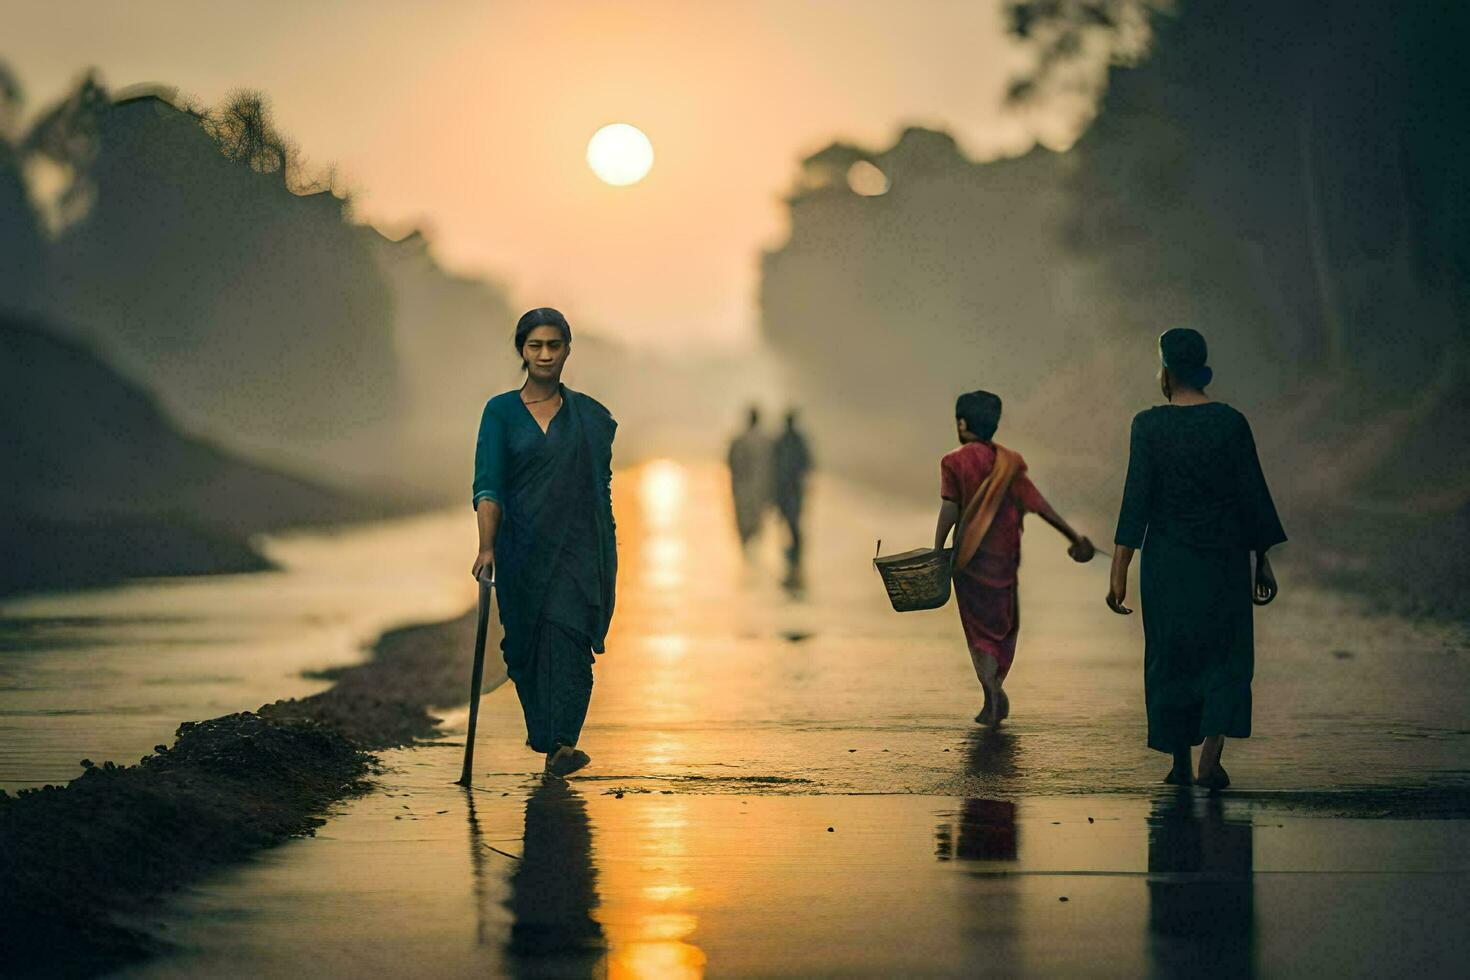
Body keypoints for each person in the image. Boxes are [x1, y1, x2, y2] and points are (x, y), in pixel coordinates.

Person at [1107, 328, 1286, 789]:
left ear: (1166, 370)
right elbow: (1252, 496)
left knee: (1171, 658)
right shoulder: (1230, 422)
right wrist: (1261, 559)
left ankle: (1179, 765)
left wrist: (1119, 569)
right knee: (1226, 657)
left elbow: (1136, 501)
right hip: (1223, 563)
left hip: (1167, 566)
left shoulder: (1148, 425)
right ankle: (1212, 756)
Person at [472, 307, 617, 778]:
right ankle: (547, 735)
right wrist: (487, 548)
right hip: (521, 552)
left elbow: (601, 492)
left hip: (577, 551)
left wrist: (605, 553)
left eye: (554, 345)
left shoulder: (589, 418)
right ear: (522, 350)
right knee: (527, 648)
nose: (545, 354)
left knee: (570, 639)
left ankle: (562, 743)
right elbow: (488, 485)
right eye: (536, 345)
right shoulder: (500, 413)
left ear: (568, 350)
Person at [934, 390, 1095, 726]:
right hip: (1005, 561)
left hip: (969, 561)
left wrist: (938, 551)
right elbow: (1040, 505)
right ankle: (996, 686)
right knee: (1003, 626)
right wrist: (1074, 538)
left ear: (962, 424)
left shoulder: (954, 462)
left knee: (977, 629)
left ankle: (990, 689)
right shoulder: (1009, 464)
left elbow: (950, 508)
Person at [772, 409, 813, 579]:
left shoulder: (795, 441)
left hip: (793, 489)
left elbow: (807, 464)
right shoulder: (782, 441)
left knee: (793, 522)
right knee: (787, 522)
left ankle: (795, 553)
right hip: (785, 490)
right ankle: (792, 554)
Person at [726, 405, 773, 549]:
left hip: (744, 487)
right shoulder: (766, 442)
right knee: (755, 521)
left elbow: (730, 463)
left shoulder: (739, 440)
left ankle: (746, 551)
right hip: (758, 487)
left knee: (744, 521)